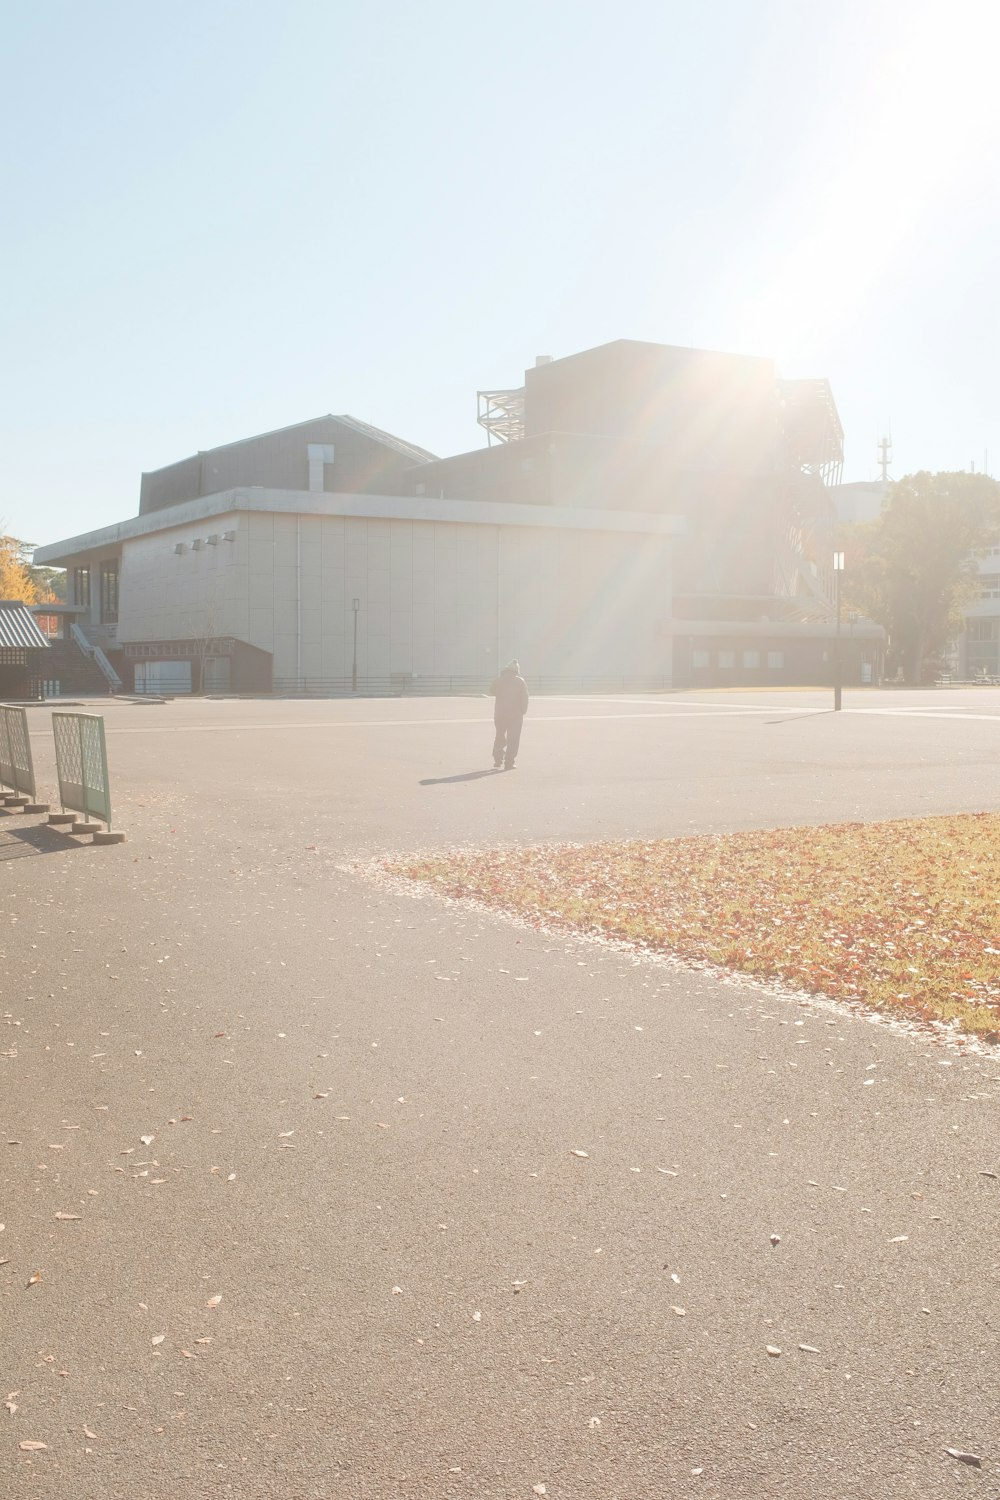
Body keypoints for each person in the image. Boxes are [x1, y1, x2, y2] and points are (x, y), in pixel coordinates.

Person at [490, 659, 529, 769]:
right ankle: (509, 762)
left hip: (500, 714)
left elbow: (492, 691)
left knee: (499, 736)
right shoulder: (520, 681)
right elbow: (525, 697)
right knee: (514, 738)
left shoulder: (499, 680)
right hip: (515, 715)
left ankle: (497, 759)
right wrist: (523, 710)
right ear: (517, 671)